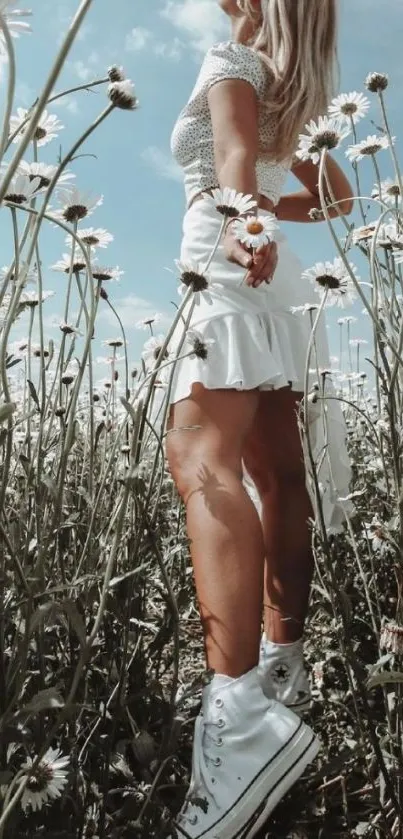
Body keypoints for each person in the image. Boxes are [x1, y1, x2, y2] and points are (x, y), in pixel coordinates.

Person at [164, 1, 354, 836]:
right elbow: (337, 196)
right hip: (275, 275)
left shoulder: (233, 65)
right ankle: (284, 668)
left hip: (226, 258)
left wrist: (240, 217)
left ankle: (239, 721)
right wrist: (267, 214)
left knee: (200, 457)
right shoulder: (288, 82)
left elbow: (236, 154)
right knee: (277, 474)